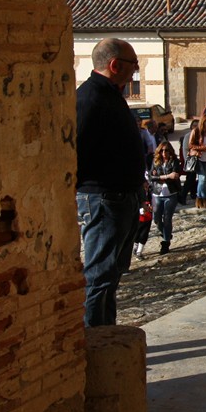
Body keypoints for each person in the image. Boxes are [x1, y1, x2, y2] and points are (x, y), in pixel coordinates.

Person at [75, 38, 145, 327]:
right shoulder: (90, 98)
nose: (135, 70)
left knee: (111, 274)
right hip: (104, 199)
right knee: (99, 277)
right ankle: (95, 339)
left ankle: (107, 335)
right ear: (115, 65)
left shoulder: (109, 95)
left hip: (120, 198)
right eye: (133, 64)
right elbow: (76, 151)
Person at [149, 141, 182, 254]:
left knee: (167, 218)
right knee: (156, 219)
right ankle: (165, 233)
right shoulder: (155, 161)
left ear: (170, 151)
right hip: (157, 194)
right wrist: (166, 176)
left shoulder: (174, 161)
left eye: (166, 150)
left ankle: (166, 242)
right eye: (162, 151)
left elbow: (175, 175)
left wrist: (159, 177)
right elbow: (151, 177)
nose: (164, 153)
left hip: (170, 194)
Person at [187, 116, 206, 209]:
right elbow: (191, 145)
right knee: (203, 178)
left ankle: (199, 199)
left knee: (203, 179)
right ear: (202, 122)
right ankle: (204, 198)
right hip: (198, 157)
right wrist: (205, 147)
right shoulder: (196, 131)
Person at [178, 119, 198, 204]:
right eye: (194, 125)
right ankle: (183, 196)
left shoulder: (200, 135)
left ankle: (193, 193)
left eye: (197, 125)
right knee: (190, 178)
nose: (196, 127)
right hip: (190, 160)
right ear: (191, 127)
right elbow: (185, 149)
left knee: (192, 178)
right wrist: (188, 160)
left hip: (198, 159)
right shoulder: (188, 136)